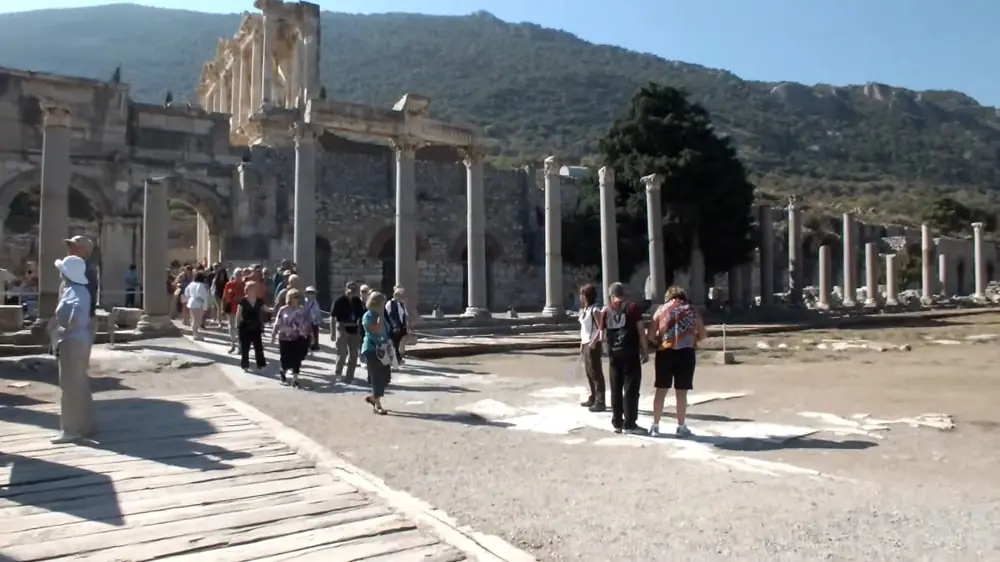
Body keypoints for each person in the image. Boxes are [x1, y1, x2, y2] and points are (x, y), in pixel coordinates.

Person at [46, 255, 94, 444]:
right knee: (79, 383)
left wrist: (65, 328)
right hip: (81, 339)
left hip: (71, 341)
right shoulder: (82, 290)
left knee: (69, 387)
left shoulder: (73, 291)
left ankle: (71, 429)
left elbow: (75, 312)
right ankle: (85, 425)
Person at [647, 286, 706, 437]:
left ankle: (655, 425)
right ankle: (681, 426)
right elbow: (702, 332)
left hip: (665, 352)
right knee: (681, 392)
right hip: (686, 352)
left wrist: (658, 339)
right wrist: (694, 338)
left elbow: (651, 334)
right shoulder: (690, 309)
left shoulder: (661, 310)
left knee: (661, 390)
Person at [601, 282, 649, 434]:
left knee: (615, 389)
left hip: (614, 354)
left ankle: (617, 422)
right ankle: (630, 423)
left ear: (611, 295)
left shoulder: (606, 311)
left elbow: (602, 336)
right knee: (631, 389)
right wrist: (645, 350)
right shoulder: (633, 308)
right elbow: (641, 331)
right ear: (624, 294)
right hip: (630, 352)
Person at [270, 288, 312, 387]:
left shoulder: (302, 310)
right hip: (284, 338)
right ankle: (283, 372)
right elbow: (277, 323)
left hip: (298, 337)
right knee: (285, 359)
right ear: (289, 298)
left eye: (297, 297)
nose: (296, 299)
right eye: (294, 297)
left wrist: (310, 336)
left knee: (297, 358)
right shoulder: (283, 309)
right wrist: (273, 335)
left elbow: (307, 323)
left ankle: (295, 378)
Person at [361, 291, 392, 415]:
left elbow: (386, 331)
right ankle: (377, 405)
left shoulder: (382, 316)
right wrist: (380, 315)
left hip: (384, 348)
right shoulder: (368, 316)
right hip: (372, 349)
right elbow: (377, 329)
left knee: (386, 376)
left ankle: (374, 398)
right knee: (376, 377)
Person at [578, 284, 606, 412]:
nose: (581, 297)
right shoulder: (585, 309)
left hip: (592, 343)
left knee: (596, 373)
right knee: (589, 372)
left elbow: (601, 327)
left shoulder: (595, 310)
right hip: (585, 343)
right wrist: (581, 344)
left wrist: (594, 342)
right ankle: (593, 397)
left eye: (582, 294)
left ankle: (600, 401)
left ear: (586, 296)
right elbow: (583, 329)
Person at [65, 235, 98, 342]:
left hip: (79, 324)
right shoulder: (70, 269)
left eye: (74, 246)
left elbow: (83, 303)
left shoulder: (86, 273)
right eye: (69, 246)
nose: (69, 249)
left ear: (85, 251)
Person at [331, 282, 365, 382]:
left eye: (354, 290)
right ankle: (338, 373)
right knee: (342, 353)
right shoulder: (339, 300)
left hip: (354, 329)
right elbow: (333, 317)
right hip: (342, 328)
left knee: (354, 355)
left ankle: (350, 376)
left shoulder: (357, 301)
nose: (351, 292)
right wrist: (333, 333)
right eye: (350, 289)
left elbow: (361, 315)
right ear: (346, 289)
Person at [237, 279, 267, 372]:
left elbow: (267, 309)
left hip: (256, 326)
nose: (254, 290)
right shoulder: (243, 301)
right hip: (245, 327)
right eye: (252, 288)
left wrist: (278, 308)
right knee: (245, 347)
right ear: (247, 290)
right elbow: (238, 315)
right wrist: (236, 325)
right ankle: (245, 365)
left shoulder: (259, 301)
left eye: (255, 289)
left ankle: (261, 364)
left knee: (258, 346)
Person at [223, 268, 245, 353]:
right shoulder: (229, 284)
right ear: (234, 275)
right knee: (231, 327)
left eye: (240, 274)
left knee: (239, 328)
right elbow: (225, 297)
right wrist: (223, 309)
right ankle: (232, 344)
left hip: (241, 311)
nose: (239, 276)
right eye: (237, 274)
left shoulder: (244, 285)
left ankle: (240, 347)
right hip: (231, 310)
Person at [385, 286, 409, 364]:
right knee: (394, 344)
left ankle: (397, 359)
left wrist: (406, 325)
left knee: (397, 344)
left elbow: (404, 315)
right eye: (399, 295)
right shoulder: (390, 303)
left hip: (401, 327)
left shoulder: (401, 304)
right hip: (393, 327)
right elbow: (387, 315)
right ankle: (395, 359)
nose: (401, 297)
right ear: (395, 295)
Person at [183, 272, 210, 340]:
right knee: (197, 320)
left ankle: (195, 333)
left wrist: (191, 296)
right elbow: (200, 294)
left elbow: (186, 292)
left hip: (192, 303)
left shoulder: (191, 284)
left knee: (194, 319)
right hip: (198, 304)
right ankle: (195, 334)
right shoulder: (200, 285)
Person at [304, 286, 322, 351]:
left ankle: (315, 345)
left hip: (314, 321)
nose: (311, 294)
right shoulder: (304, 301)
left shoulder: (315, 302)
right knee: (306, 333)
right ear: (306, 293)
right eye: (309, 292)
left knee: (315, 332)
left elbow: (317, 312)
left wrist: (318, 320)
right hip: (306, 321)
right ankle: (307, 344)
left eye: (312, 293)